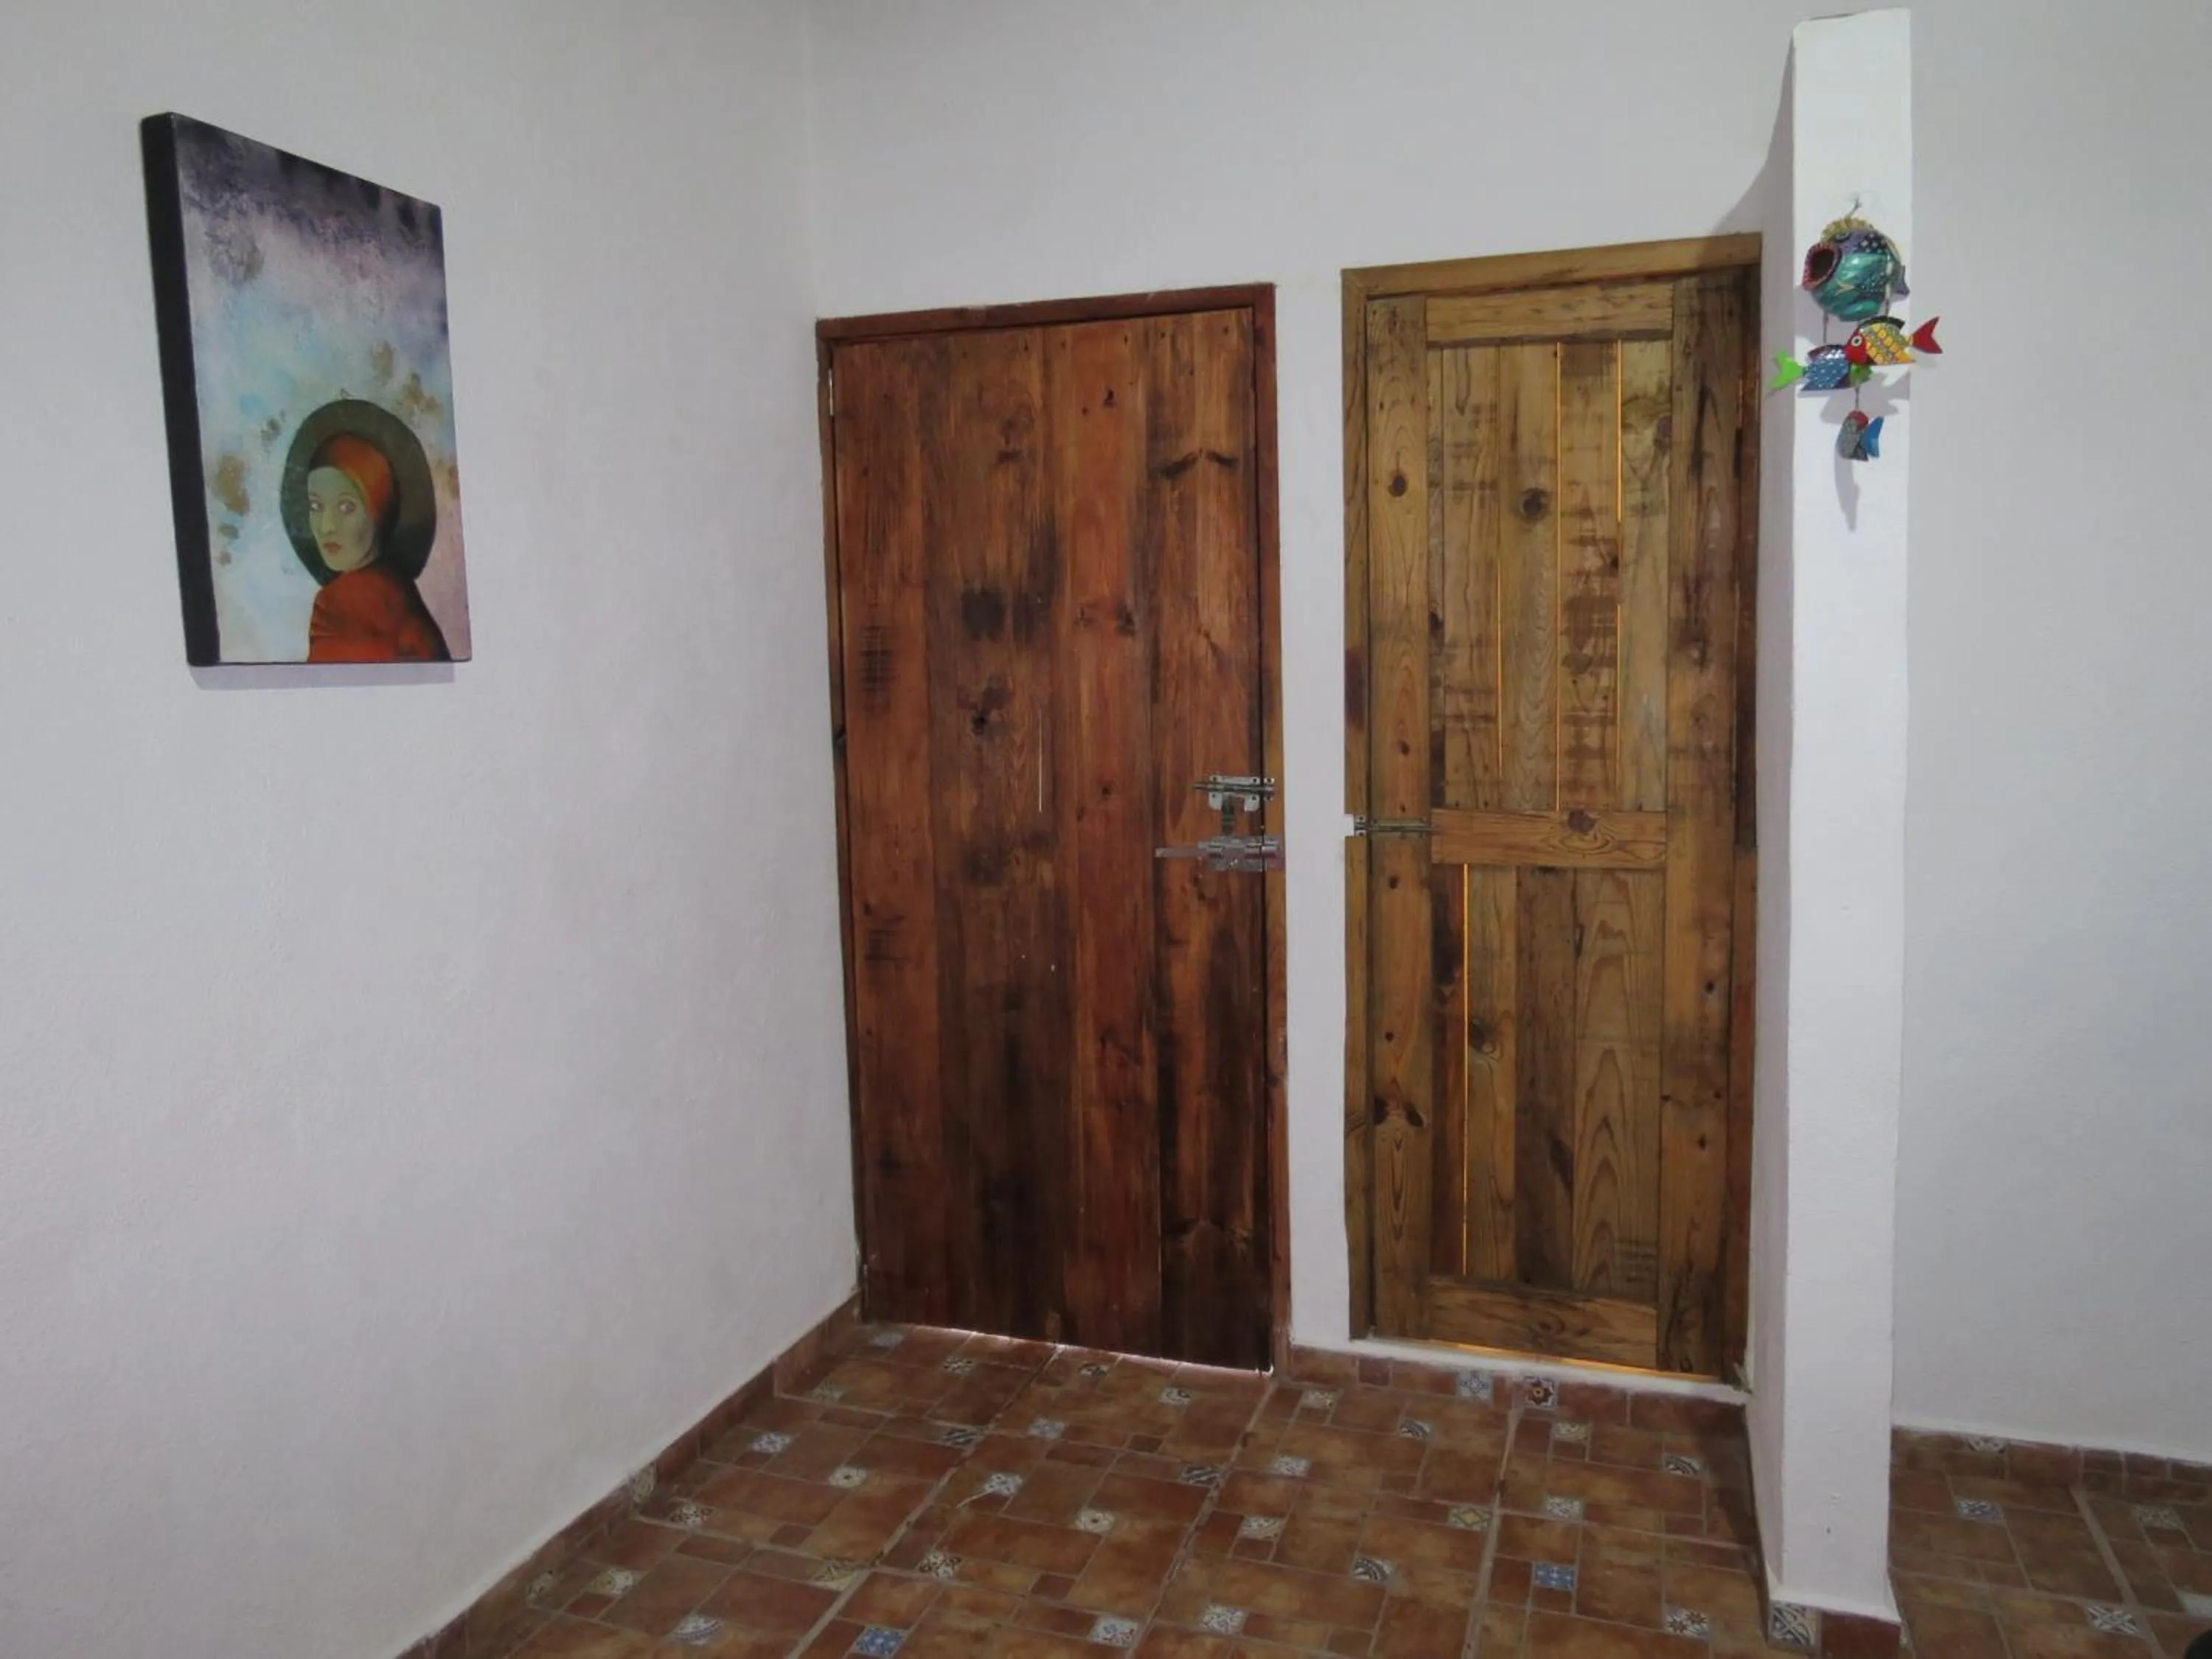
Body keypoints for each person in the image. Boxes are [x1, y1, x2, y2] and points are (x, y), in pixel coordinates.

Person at [302, 432, 451, 663]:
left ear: (378, 510)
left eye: (346, 507)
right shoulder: (398, 589)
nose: (326, 526)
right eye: (315, 506)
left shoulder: (338, 603)